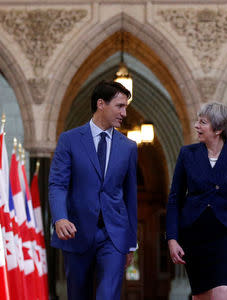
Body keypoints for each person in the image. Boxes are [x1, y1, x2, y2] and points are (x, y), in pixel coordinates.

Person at [48, 81, 138, 300]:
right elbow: (57, 184)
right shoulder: (69, 140)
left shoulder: (128, 147)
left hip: (113, 235)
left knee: (108, 294)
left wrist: (132, 242)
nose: (124, 113)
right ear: (101, 104)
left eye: (125, 107)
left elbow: (130, 196)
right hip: (77, 231)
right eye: (120, 106)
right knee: (79, 294)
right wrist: (60, 217)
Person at [166, 102, 227, 300]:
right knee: (202, 297)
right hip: (195, 236)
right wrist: (172, 238)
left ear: (219, 129)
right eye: (198, 121)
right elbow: (175, 199)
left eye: (203, 122)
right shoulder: (187, 154)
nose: (197, 126)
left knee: (224, 292)